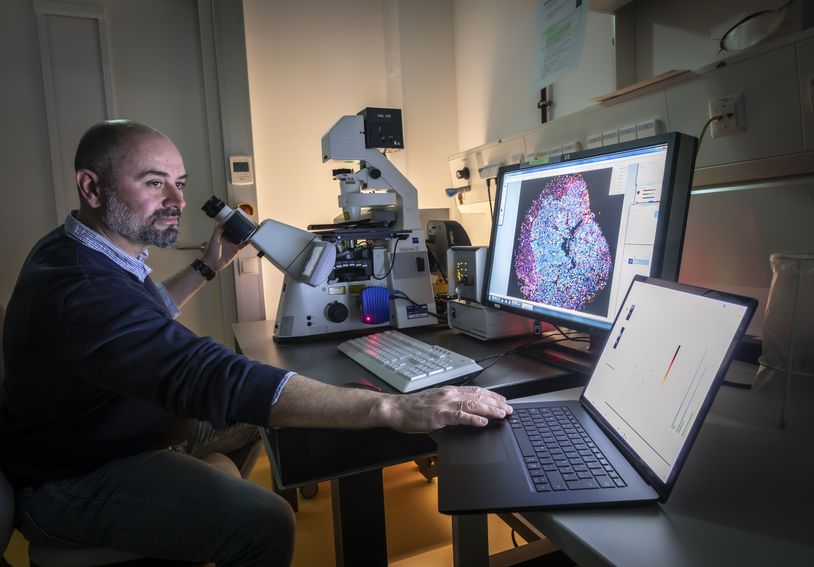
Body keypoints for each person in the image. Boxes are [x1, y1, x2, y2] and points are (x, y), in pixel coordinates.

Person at [0, 120, 512, 566]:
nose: (177, 201)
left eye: (179, 184)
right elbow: (207, 375)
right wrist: (392, 408)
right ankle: (216, 529)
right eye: (154, 183)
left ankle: (194, 532)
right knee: (265, 521)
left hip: (105, 430)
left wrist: (208, 266)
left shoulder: (77, 248)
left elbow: (141, 315)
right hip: (69, 479)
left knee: (249, 419)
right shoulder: (81, 291)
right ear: (92, 187)